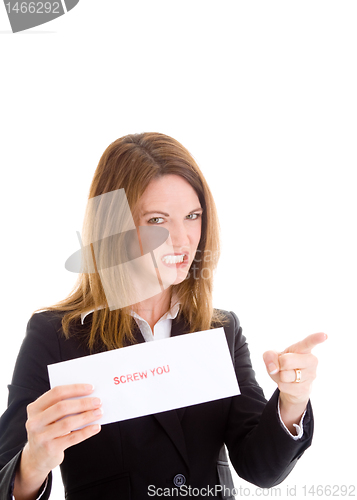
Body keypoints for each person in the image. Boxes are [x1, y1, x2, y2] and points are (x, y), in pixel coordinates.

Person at [0, 132, 326, 500]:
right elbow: (6, 476)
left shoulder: (221, 330)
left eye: (192, 216)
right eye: (157, 220)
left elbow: (260, 467)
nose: (182, 239)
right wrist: (33, 462)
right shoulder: (55, 335)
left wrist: (292, 402)